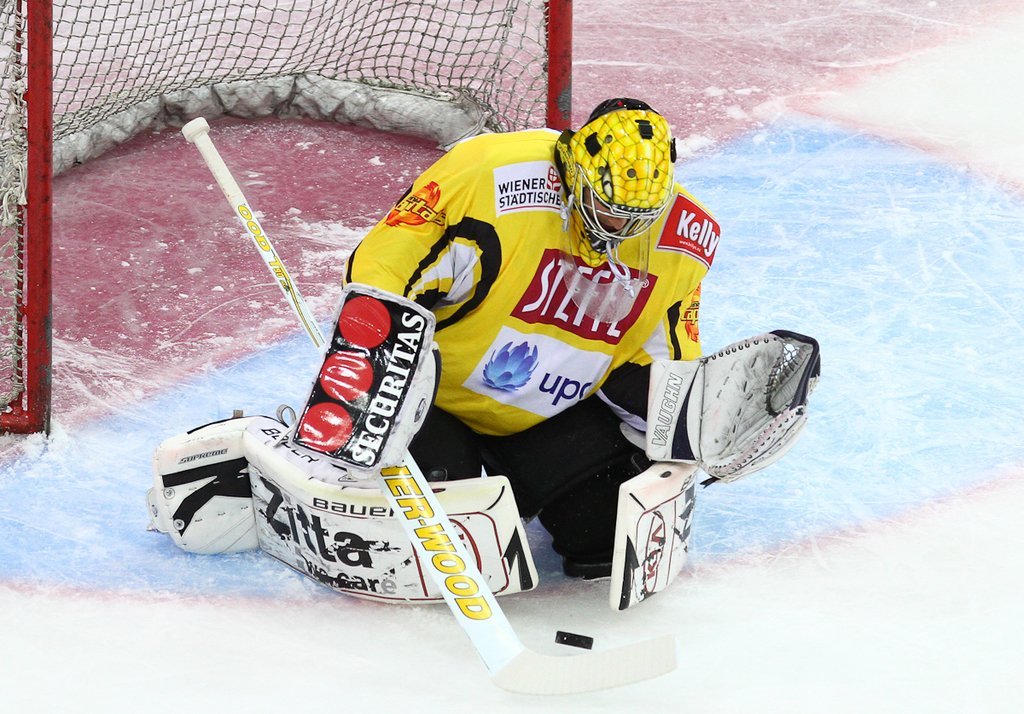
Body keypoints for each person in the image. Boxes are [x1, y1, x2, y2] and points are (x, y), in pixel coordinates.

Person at [342, 98, 719, 579]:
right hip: (432, 395)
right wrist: (373, 370)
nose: (623, 229)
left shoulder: (682, 238)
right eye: (608, 210)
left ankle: (529, 481)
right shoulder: (487, 173)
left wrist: (686, 428)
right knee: (434, 527)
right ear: (575, 174)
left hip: (546, 411)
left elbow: (665, 356)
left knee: (606, 532)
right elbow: (383, 270)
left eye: (638, 216)